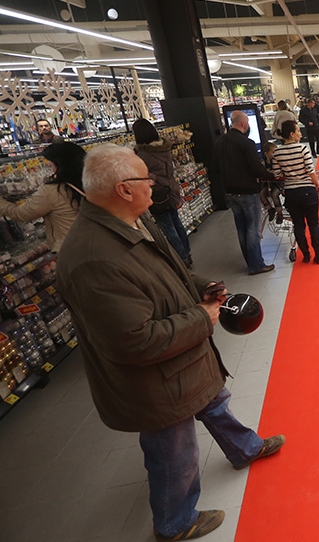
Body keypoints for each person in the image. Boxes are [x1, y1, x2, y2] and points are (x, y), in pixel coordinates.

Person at [55, 144, 286, 541]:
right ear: (124, 189)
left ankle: (244, 447)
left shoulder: (132, 220)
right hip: (155, 381)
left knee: (214, 401)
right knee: (173, 451)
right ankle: (174, 523)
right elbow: (133, 341)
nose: (155, 184)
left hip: (182, 360)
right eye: (146, 178)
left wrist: (203, 286)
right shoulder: (94, 258)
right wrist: (202, 317)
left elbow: (170, 271)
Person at [214, 110, 275, 275]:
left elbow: (216, 167)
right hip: (248, 191)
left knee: (241, 228)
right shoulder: (246, 143)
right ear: (243, 123)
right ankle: (256, 265)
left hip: (230, 192)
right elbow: (256, 168)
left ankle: (250, 261)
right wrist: (271, 175)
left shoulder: (219, 142)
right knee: (253, 229)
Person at [0, 142, 85, 252]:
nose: (51, 169)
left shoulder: (53, 191)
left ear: (61, 165)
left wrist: (2, 203)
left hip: (70, 248)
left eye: (51, 165)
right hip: (91, 242)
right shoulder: (91, 182)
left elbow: (22, 213)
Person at [132, 119, 193, 267]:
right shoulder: (164, 148)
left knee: (168, 227)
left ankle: (182, 259)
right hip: (171, 190)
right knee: (177, 223)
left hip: (158, 195)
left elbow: (143, 174)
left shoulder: (144, 155)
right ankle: (187, 253)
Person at [272, 121, 319, 264]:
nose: (300, 134)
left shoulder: (277, 152)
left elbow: (277, 174)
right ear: (291, 134)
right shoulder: (303, 149)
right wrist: (317, 185)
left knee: (298, 225)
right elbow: (310, 170)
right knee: (313, 223)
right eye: (298, 131)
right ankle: (318, 255)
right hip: (307, 190)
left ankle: (305, 254)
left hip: (291, 193)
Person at [259, 141, 284, 223]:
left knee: (274, 195)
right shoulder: (263, 162)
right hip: (268, 183)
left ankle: (279, 213)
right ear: (266, 154)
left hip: (279, 183)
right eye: (273, 152)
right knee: (261, 194)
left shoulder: (277, 161)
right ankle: (270, 209)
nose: (275, 154)